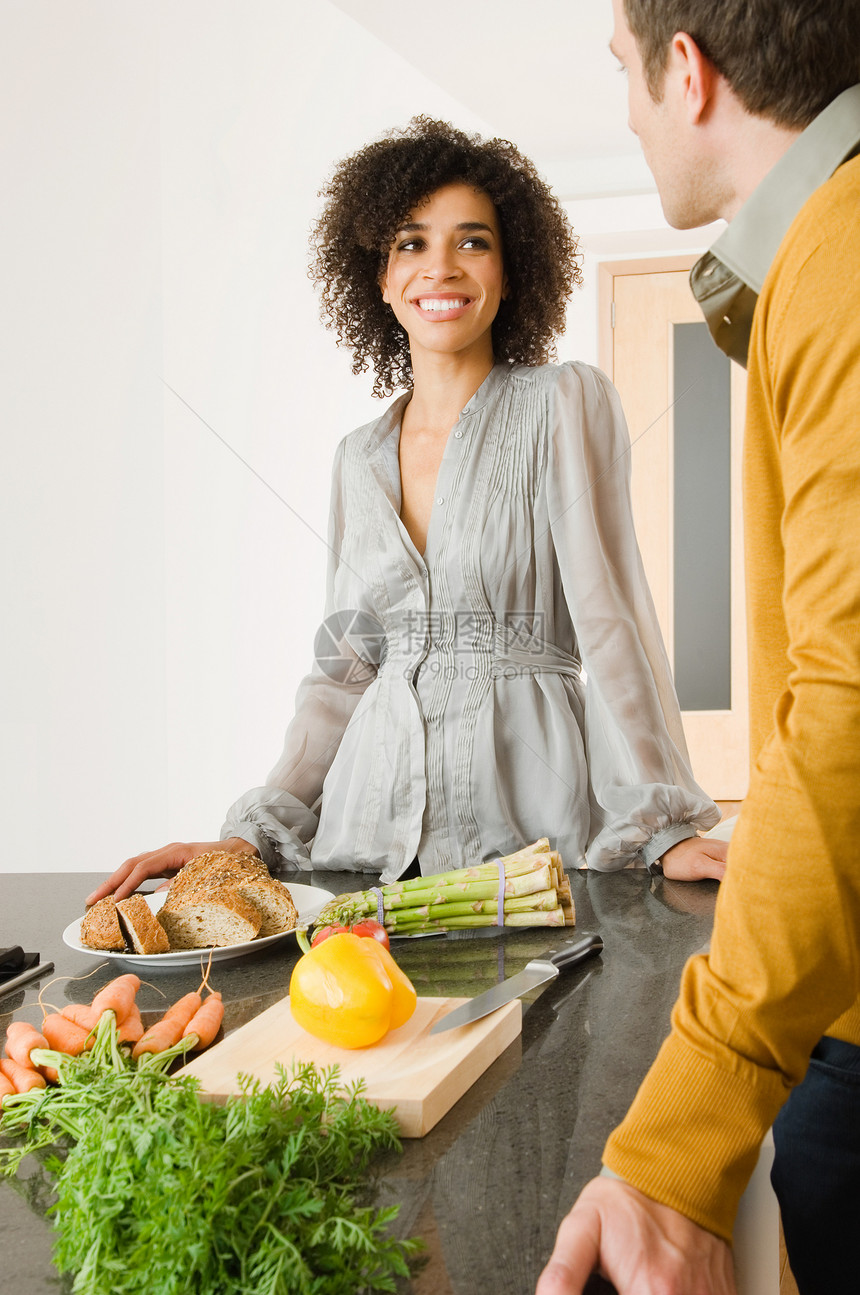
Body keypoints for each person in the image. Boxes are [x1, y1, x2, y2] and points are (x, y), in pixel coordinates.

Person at [87, 117, 725, 907]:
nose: (442, 268)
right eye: (411, 244)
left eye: (473, 241)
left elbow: (612, 619)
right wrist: (254, 831)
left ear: (511, 269)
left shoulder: (564, 401)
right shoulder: (357, 457)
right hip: (368, 840)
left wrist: (663, 822)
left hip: (529, 837)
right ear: (381, 279)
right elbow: (344, 674)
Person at [536, 3, 860, 1293]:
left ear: (687, 70)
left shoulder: (839, 253)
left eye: (620, 69)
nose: (623, 109)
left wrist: (678, 1145)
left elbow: (845, 706)